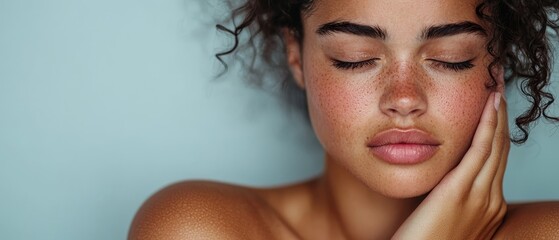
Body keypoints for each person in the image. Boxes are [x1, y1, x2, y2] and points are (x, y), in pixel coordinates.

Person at [128, 0, 559, 239]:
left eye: (452, 59)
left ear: (496, 61)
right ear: (296, 56)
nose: (404, 99)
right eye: (355, 59)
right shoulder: (199, 229)